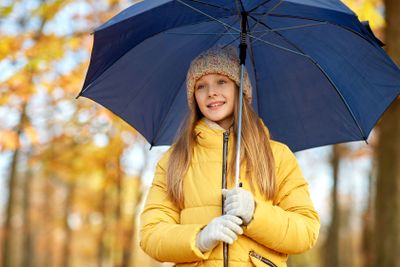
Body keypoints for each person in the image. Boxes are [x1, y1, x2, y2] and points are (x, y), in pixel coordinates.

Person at [139, 46, 320, 267]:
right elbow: (151, 234)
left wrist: (255, 214)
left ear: (240, 88)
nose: (211, 92)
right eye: (201, 86)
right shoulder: (175, 159)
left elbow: (306, 232)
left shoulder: (277, 156)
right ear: (193, 96)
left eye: (221, 82)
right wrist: (200, 238)